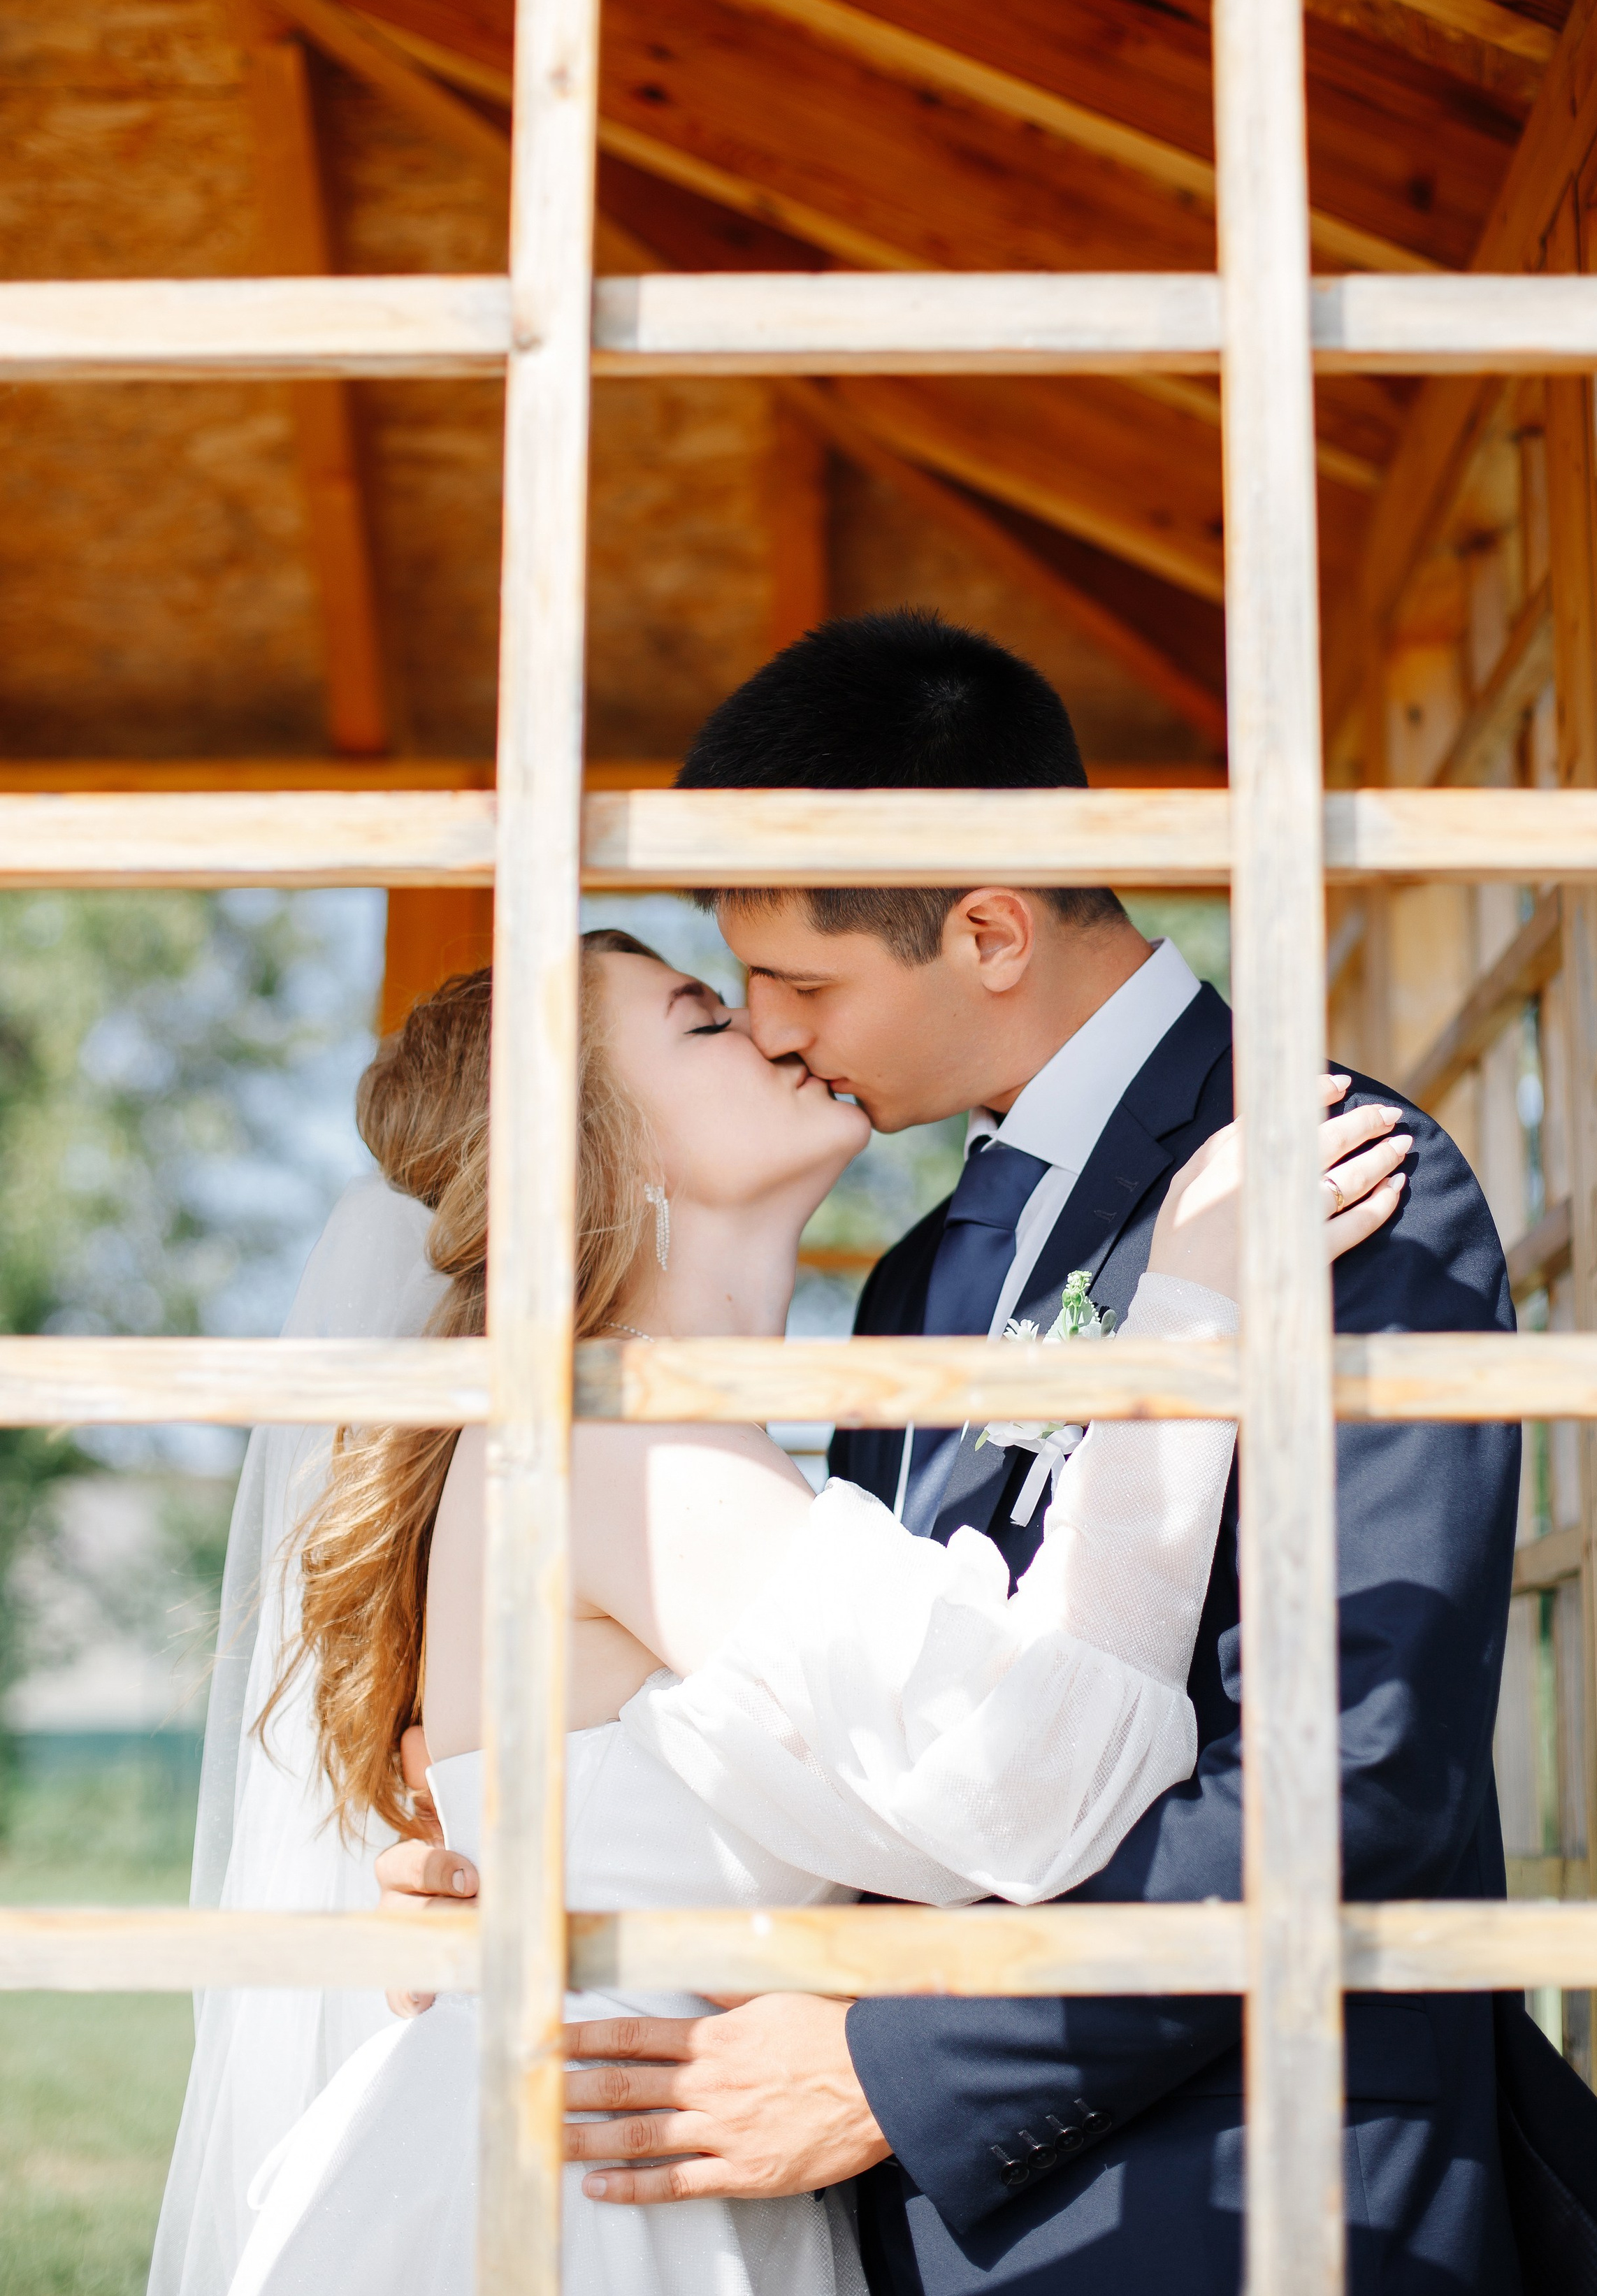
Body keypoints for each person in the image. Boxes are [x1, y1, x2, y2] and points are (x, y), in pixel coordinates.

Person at [380, 612, 1597, 2296]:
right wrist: (545, 1884)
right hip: (887, 2224)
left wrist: (897, 2069)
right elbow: (869, 1750)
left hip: (1238, 2206)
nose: (776, 1034)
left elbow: (1352, 1777)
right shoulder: (917, 1275)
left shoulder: (1320, 1174)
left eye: (795, 984)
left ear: (989, 928)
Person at [156, 925, 1407, 2296]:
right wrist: (1191, 1309)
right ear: (602, 1151)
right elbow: (1047, 1780)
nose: (769, 1025)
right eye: (703, 1018)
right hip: (571, 2199)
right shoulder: (618, 1441)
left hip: (665, 2165)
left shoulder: (681, 1432)